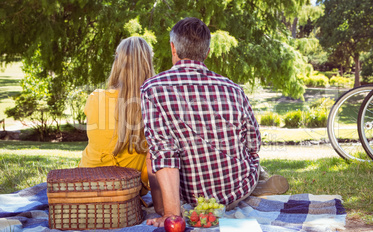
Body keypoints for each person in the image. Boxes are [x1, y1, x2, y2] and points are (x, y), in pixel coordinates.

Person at [141, 17, 289, 227]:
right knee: (251, 162)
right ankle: (255, 185)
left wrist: (172, 215)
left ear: (173, 48)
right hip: (236, 188)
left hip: (190, 199)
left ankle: (173, 208)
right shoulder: (233, 89)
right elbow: (254, 144)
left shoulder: (152, 88)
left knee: (151, 155)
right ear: (207, 52)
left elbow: (164, 152)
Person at [79, 36, 156, 196]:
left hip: (85, 184)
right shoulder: (152, 105)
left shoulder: (95, 98)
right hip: (127, 191)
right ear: (148, 65)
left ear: (117, 63)